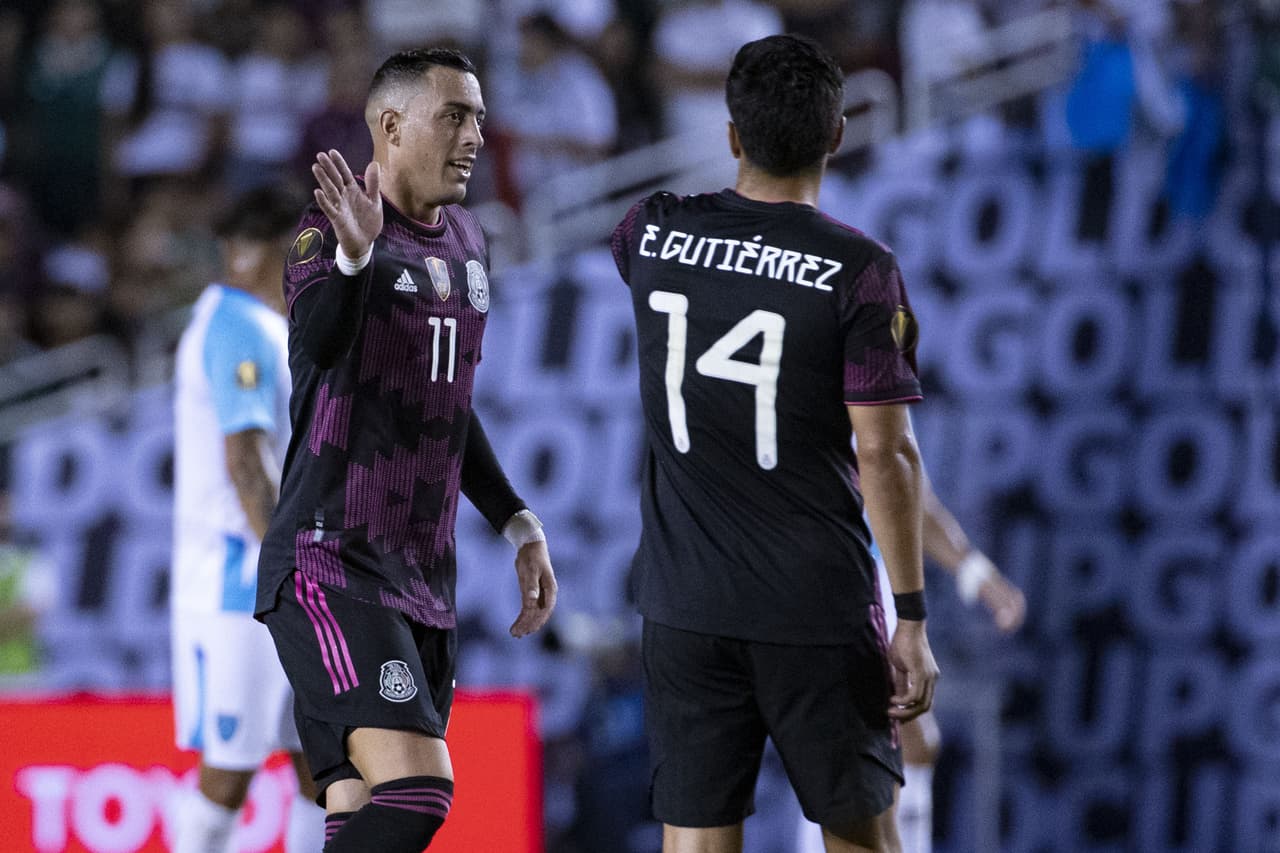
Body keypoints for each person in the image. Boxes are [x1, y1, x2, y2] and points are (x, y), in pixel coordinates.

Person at [612, 34, 939, 853]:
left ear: (731, 134)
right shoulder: (859, 270)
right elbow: (885, 453)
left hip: (685, 606)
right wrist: (910, 616)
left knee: (693, 837)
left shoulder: (651, 233)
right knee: (862, 836)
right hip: (815, 607)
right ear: (836, 134)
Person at [254, 47, 558, 853]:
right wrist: (356, 258)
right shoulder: (327, 237)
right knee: (420, 791)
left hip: (423, 575)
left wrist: (517, 520)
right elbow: (318, 345)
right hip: (331, 563)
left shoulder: (466, 238)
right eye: (454, 116)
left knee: (360, 823)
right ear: (390, 125)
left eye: (479, 118)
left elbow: (448, 402)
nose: (474, 137)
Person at [170, 183, 325, 853]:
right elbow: (244, 462)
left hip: (270, 577)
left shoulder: (248, 321)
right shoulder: (235, 324)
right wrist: (284, 567)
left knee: (319, 763)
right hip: (239, 583)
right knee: (229, 772)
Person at [796, 470, 1027, 853]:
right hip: (822, 583)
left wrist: (975, 571)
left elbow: (904, 485)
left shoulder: (887, 420)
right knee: (858, 749)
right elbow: (887, 468)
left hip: (865, 580)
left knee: (911, 744)